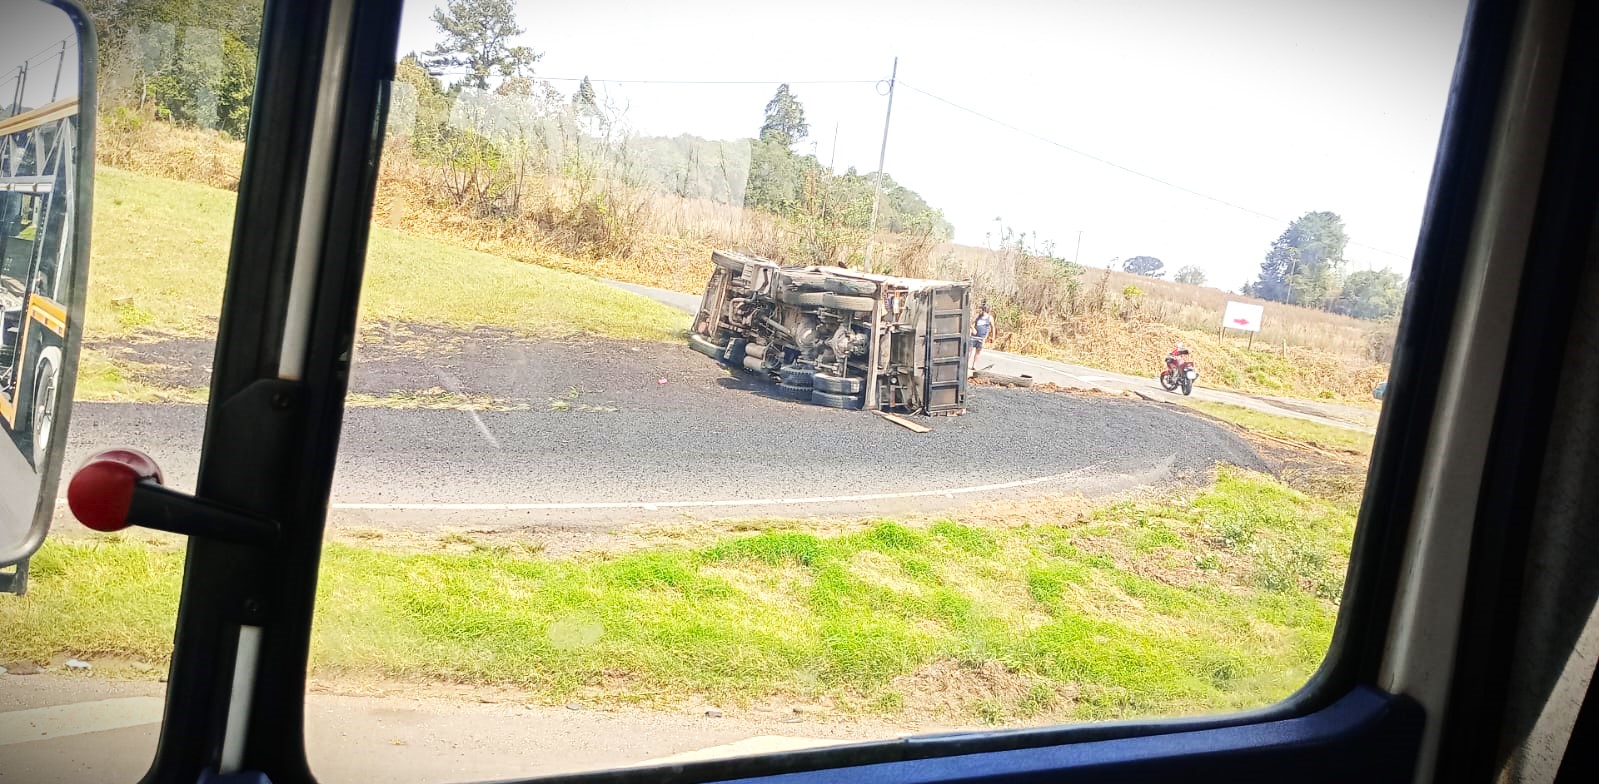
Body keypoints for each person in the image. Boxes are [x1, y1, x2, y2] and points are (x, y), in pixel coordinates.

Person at [969, 302, 994, 375]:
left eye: (982, 309)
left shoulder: (990, 318)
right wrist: (973, 328)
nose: (981, 311)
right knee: (970, 350)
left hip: (982, 337)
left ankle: (974, 365)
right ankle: (966, 364)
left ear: (985, 310)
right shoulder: (978, 316)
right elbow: (970, 323)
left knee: (978, 352)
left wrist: (992, 336)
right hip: (974, 336)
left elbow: (993, 327)